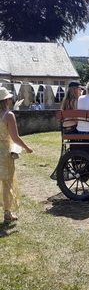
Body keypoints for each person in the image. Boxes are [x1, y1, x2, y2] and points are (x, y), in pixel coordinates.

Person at [0, 87, 33, 223]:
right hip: (4, 153)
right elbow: (15, 137)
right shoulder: (8, 115)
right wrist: (26, 147)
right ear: (6, 100)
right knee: (6, 182)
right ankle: (7, 213)